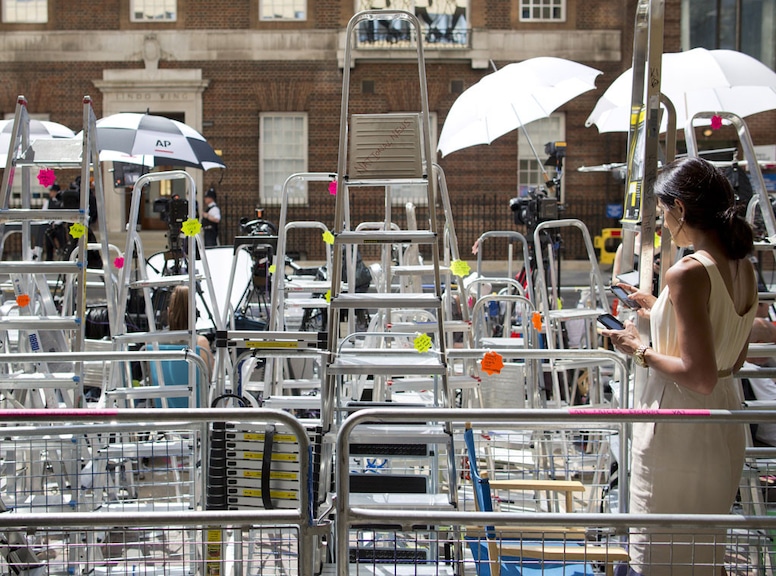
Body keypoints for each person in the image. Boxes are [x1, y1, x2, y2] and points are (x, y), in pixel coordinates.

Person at [602, 157, 758, 575]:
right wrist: (657, 309)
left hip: (679, 425)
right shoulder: (743, 267)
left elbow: (699, 375)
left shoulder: (687, 272)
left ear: (681, 210)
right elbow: (730, 356)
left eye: (662, 212)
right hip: (725, 423)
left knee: (660, 555)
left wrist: (638, 347)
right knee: (701, 554)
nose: (663, 223)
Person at [167, 284, 214, 373]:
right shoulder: (200, 343)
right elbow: (209, 377)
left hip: (166, 387)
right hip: (194, 387)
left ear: (169, 311)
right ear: (194, 313)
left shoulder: (154, 342)